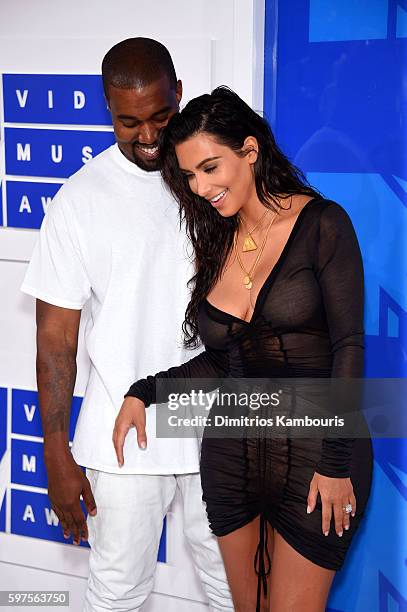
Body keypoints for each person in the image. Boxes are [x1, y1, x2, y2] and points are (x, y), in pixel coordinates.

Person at [113, 87, 374, 612]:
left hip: (316, 456)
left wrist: (337, 462)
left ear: (250, 151)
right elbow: (226, 359)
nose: (200, 187)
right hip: (232, 455)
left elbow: (347, 347)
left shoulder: (323, 225)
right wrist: (146, 391)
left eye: (210, 168)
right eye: (188, 176)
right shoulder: (217, 239)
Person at [21, 39, 233, 611]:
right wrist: (56, 452)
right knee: (117, 594)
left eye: (161, 118)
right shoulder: (80, 200)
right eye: (128, 122)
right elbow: (56, 341)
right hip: (122, 437)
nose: (147, 136)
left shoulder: (213, 182)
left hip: (218, 426)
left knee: (232, 593)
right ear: (107, 112)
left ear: (180, 95)